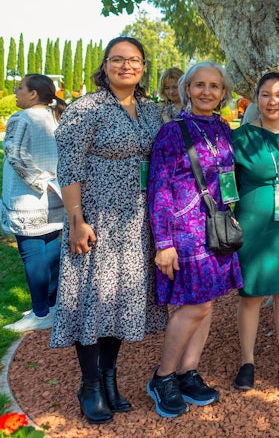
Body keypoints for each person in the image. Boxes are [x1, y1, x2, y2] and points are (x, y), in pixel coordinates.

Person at [51, 37, 167, 426]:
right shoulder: (86, 109)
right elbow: (69, 167)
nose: (126, 66)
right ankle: (89, 384)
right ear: (105, 65)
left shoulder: (152, 111)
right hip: (96, 220)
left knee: (121, 300)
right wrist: (76, 219)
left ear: (143, 66)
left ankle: (108, 376)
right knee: (92, 300)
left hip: (135, 222)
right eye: (117, 59)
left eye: (133, 60)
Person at [147, 61, 243, 418]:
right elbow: (159, 189)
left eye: (214, 86)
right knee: (195, 305)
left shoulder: (221, 127)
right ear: (187, 89)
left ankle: (188, 372)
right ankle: (163, 376)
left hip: (217, 227)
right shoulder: (173, 132)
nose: (207, 91)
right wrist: (164, 243)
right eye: (199, 85)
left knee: (209, 303)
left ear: (223, 93)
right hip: (185, 232)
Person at [231, 72, 279, 390]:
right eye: (265, 94)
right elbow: (226, 181)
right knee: (252, 294)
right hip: (253, 222)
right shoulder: (242, 136)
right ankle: (246, 362)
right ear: (257, 99)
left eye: (278, 94)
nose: (272, 101)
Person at [1, 75, 66, 333]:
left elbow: (14, 155)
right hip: (55, 198)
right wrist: (53, 183)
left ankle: (40, 313)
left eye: (19, 88)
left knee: (32, 256)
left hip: (28, 199)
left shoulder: (21, 118)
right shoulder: (56, 116)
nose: (15, 91)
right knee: (50, 252)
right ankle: (49, 307)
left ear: (34, 94)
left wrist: (41, 181)